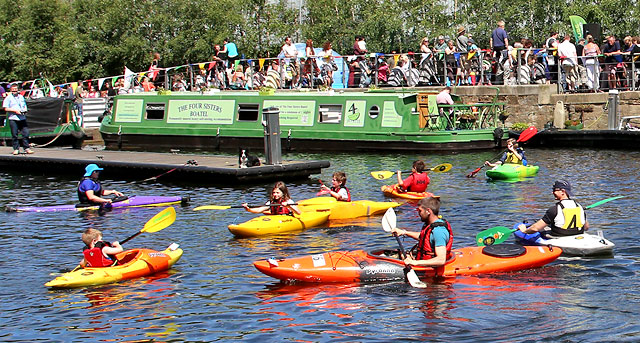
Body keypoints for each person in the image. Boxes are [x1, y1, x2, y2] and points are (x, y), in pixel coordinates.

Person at [390, 196, 453, 268]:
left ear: (428, 211)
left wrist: (415, 262)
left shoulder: (439, 231)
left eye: (420, 211)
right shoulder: (431, 226)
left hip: (431, 268)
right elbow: (424, 237)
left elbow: (441, 260)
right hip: (422, 259)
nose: (418, 213)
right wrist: (404, 232)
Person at [517, 180, 589, 238]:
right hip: (577, 235)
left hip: (559, 237)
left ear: (563, 192)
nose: (552, 192)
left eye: (555, 190)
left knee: (542, 228)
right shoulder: (579, 207)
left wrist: (524, 231)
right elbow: (586, 227)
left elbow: (535, 228)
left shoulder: (554, 209)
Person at [3, 84, 33, 155]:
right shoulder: (8, 98)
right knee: (14, 134)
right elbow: (6, 108)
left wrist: (24, 110)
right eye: (13, 90)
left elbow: (24, 105)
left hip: (22, 118)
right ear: (11, 90)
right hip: (13, 118)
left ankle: (26, 148)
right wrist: (15, 111)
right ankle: (16, 149)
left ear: (18, 89)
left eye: (15, 89)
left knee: (26, 133)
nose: (14, 91)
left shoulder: (21, 97)